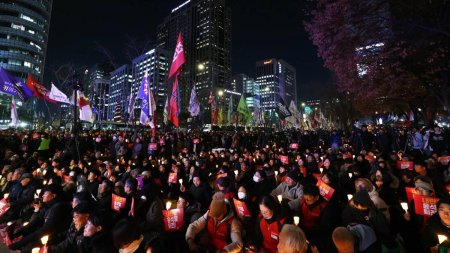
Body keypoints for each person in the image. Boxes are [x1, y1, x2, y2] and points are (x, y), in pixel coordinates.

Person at [10, 184, 72, 252]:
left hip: (56, 238)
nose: (43, 195)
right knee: (26, 235)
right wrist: (16, 234)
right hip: (47, 233)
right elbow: (36, 222)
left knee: (27, 247)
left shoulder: (58, 208)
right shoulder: (48, 205)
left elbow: (44, 230)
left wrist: (20, 243)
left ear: (53, 196)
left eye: (45, 193)